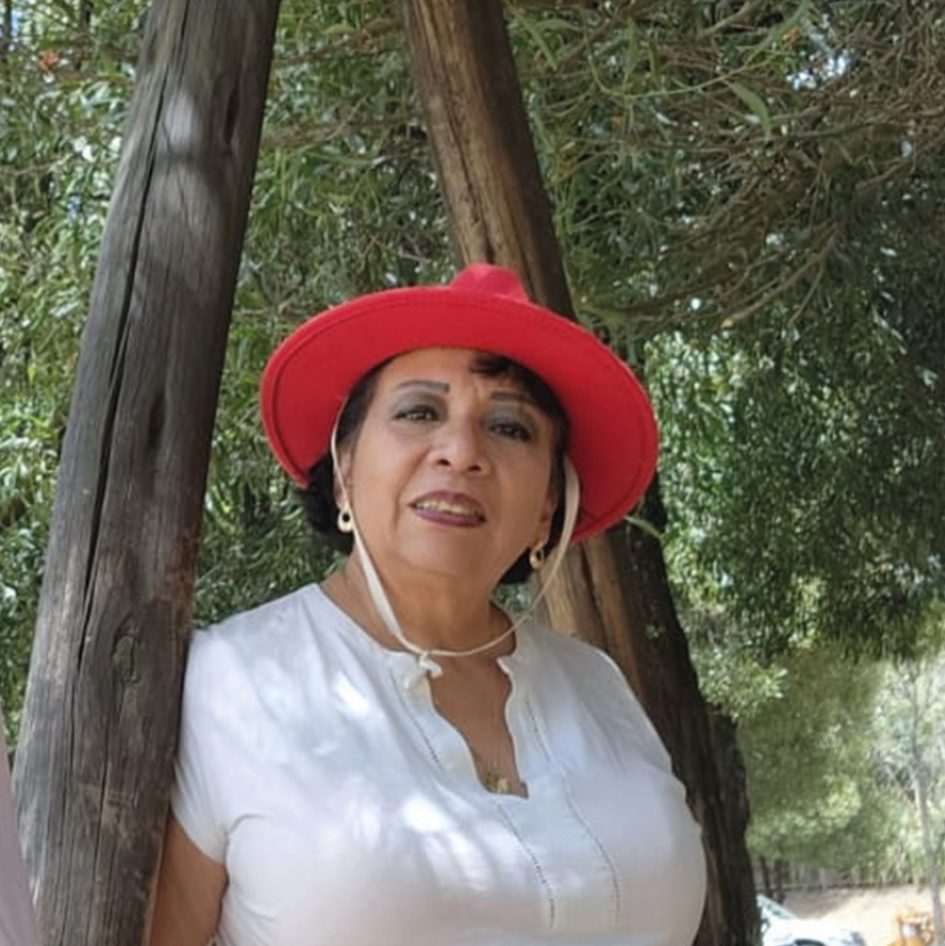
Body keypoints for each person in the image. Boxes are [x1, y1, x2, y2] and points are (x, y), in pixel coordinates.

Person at [149, 264, 707, 946]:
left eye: (510, 428)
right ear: (344, 467)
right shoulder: (230, 683)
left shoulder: (599, 687)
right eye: (419, 413)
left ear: (547, 508)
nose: (461, 452)